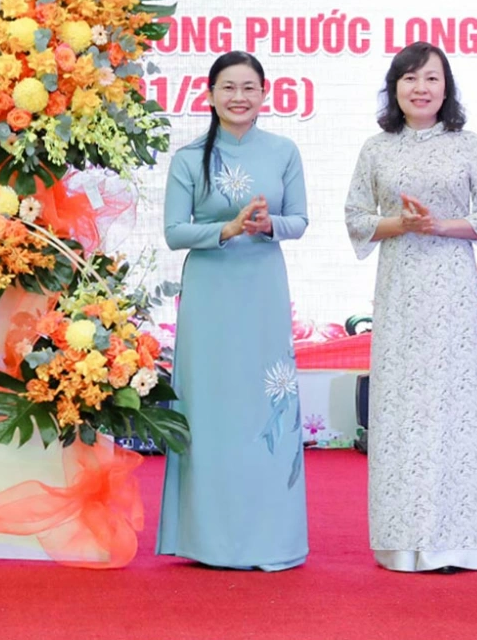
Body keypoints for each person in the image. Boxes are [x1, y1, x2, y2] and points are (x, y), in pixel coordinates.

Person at [344, 42, 477, 573]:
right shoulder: (376, 149)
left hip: (453, 290)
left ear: (446, 87)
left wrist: (440, 225)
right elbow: (356, 216)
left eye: (432, 78)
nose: (421, 88)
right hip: (399, 291)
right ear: (394, 88)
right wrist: (401, 224)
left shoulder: (469, 145)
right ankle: (403, 542)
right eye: (410, 78)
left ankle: (463, 543)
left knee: (456, 406)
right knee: (401, 409)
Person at [157, 52, 310, 571]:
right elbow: (174, 232)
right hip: (210, 294)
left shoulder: (284, 151)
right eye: (228, 87)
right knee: (211, 408)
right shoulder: (188, 158)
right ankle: (207, 540)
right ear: (209, 95)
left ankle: (271, 539)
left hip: (262, 289)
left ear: (265, 93)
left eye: (249, 87)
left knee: (262, 407)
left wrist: (268, 226)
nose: (238, 97)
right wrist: (225, 229)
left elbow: (299, 220)